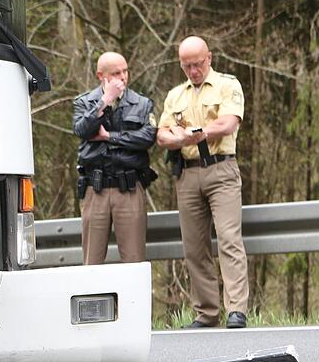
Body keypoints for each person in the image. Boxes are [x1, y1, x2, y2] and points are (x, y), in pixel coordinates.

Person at [156, 36, 248, 329]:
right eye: (187, 66)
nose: (193, 71)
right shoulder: (176, 95)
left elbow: (228, 122)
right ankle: (206, 312)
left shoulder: (227, 85)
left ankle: (236, 309)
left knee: (229, 239)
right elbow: (162, 134)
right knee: (194, 246)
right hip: (188, 173)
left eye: (197, 64)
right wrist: (178, 139)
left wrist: (197, 134)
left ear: (209, 58)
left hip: (221, 169)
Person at [72, 52, 157, 265]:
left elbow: (147, 138)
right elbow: (81, 130)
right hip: (95, 189)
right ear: (101, 76)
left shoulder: (141, 103)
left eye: (125, 71)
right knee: (92, 262)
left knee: (134, 261)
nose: (123, 77)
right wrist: (104, 102)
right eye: (116, 73)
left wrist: (109, 137)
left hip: (129, 188)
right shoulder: (85, 102)